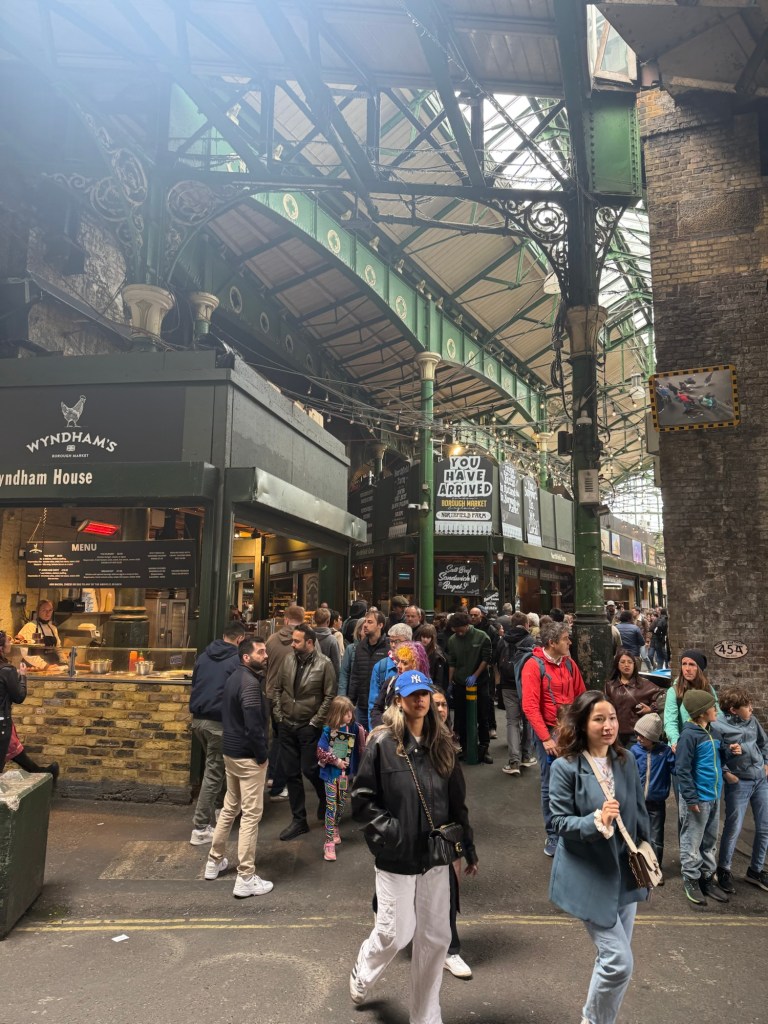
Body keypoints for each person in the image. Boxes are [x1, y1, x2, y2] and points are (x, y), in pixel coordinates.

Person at [349, 670, 478, 1020]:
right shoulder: (382, 743)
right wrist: (391, 832)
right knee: (395, 933)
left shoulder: (443, 745)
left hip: (436, 856)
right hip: (397, 857)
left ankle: (426, 1016)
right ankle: (364, 968)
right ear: (398, 701)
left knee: (436, 939)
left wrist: (467, 845)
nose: (420, 701)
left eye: (424, 694)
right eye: (412, 695)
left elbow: (457, 801)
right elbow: (361, 799)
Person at [548, 691, 651, 1024]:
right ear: (581, 723)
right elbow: (557, 821)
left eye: (611, 718)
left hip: (626, 872)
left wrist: (648, 854)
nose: (608, 726)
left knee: (612, 962)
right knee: (619, 962)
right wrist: (596, 821)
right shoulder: (565, 767)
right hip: (589, 876)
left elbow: (638, 810)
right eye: (598, 719)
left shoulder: (626, 760)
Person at [203, 637, 273, 899]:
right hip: (247, 756)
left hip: (231, 753)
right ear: (246, 657)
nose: (265, 655)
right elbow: (254, 724)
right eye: (261, 652)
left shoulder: (234, 677)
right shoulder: (250, 684)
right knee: (251, 816)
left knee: (231, 807)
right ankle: (245, 877)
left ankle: (214, 860)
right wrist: (262, 755)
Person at [521, 621, 586, 856]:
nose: (570, 642)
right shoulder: (533, 666)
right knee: (550, 785)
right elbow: (530, 706)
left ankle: (572, 830)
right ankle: (553, 835)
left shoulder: (569, 664)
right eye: (566, 639)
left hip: (570, 730)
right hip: (549, 732)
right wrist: (546, 738)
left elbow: (580, 695)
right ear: (552, 643)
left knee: (576, 780)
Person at [273, 623, 337, 841]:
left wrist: (314, 722)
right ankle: (299, 820)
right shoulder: (288, 659)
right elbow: (277, 689)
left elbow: (330, 696)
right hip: (287, 724)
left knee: (310, 769)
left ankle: (326, 799)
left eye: (297, 641)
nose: (293, 644)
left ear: (309, 642)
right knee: (291, 773)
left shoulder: (324, 664)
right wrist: (279, 716)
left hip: (308, 726)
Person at [188, 620, 246, 845]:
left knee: (218, 767)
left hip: (199, 722)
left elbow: (195, 683)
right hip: (219, 724)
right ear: (240, 639)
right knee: (214, 772)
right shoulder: (236, 661)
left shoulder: (203, 656)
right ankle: (200, 827)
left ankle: (223, 810)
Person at [432, 688, 472, 981]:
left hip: (441, 838)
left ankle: (450, 950)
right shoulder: (396, 744)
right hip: (406, 837)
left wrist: (468, 847)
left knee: (447, 892)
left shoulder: (449, 747)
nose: (442, 709)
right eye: (437, 705)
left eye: (445, 703)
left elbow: (459, 803)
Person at [712, 686, 768, 895]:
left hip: (761, 781)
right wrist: (727, 771)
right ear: (734, 710)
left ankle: (755, 870)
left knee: (764, 827)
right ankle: (724, 869)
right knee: (733, 827)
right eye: (747, 706)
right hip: (739, 783)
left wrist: (767, 763)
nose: (751, 708)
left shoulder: (752, 721)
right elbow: (716, 754)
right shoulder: (718, 725)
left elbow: (764, 743)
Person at [676, 688, 729, 906]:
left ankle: (707, 878)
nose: (715, 710)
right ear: (701, 712)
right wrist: (691, 799)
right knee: (692, 840)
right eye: (712, 707)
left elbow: (719, 757)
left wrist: (729, 750)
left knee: (710, 840)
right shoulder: (688, 736)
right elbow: (682, 769)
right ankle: (691, 878)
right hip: (697, 799)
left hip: (714, 795)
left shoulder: (714, 732)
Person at [316, 695, 365, 862]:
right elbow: (320, 752)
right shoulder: (328, 731)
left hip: (344, 776)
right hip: (330, 775)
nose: (349, 715)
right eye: (346, 713)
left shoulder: (352, 729)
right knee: (331, 806)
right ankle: (328, 841)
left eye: (350, 712)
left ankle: (335, 827)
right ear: (337, 713)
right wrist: (336, 761)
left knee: (341, 803)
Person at [265, 605, 306, 801]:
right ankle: (279, 785)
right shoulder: (307, 639)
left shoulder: (272, 640)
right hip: (294, 697)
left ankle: (273, 777)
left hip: (272, 696)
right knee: (288, 742)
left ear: (286, 620)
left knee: (278, 739)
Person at [630, 713, 674, 882]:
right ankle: (637, 867)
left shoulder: (665, 752)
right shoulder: (634, 751)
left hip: (657, 802)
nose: (639, 738)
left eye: (643, 735)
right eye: (638, 734)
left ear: (653, 738)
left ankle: (655, 869)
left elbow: (677, 768)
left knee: (656, 837)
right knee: (635, 834)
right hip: (637, 802)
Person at [447, 611, 493, 763]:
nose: (458, 632)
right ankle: (465, 747)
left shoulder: (482, 637)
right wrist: (450, 682)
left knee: (482, 715)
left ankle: (484, 747)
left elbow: (486, 658)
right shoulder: (453, 640)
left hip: (480, 683)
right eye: (455, 629)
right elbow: (452, 661)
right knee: (461, 716)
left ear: (467, 625)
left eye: (460, 629)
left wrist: (476, 675)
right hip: (460, 683)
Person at [497, 612, 537, 776]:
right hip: (526, 684)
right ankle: (526, 756)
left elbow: (496, 661)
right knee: (527, 720)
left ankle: (513, 760)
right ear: (527, 624)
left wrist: (498, 684)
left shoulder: (503, 640)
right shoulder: (531, 640)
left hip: (507, 685)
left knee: (512, 721)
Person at [663, 650, 720, 752]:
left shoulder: (708, 689)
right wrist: (676, 742)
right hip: (684, 744)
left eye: (692, 664)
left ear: (699, 668)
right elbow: (670, 720)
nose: (687, 669)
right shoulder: (675, 691)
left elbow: (718, 715)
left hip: (706, 743)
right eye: (684, 664)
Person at [604, 649, 662, 746]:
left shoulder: (645, 685)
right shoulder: (609, 686)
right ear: (617, 665)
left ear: (634, 664)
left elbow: (661, 697)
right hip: (615, 733)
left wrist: (651, 709)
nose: (626, 665)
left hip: (636, 734)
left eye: (630, 662)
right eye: (622, 662)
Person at [369, 642, 429, 729]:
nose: (398, 666)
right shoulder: (391, 682)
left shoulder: (426, 687)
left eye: (404, 663)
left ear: (415, 665)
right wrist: (383, 728)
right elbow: (376, 709)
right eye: (399, 661)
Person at [347, 610, 389, 730]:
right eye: (365, 621)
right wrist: (351, 702)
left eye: (370, 622)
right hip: (362, 706)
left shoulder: (388, 647)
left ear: (380, 625)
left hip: (380, 707)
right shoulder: (360, 646)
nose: (365, 625)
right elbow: (355, 676)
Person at [366, 622, 413, 725]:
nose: (392, 645)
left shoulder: (417, 665)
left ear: (409, 642)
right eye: (390, 641)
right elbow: (373, 705)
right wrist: (375, 731)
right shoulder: (380, 666)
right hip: (385, 725)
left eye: (397, 641)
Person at [0, 630, 27, 766]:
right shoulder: (7, 670)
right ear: (1, 648)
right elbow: (19, 697)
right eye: (8, 641)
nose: (10, 643)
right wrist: (22, 676)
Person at [15, 600, 62, 670]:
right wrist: (45, 666)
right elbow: (26, 651)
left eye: (50, 610)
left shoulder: (53, 628)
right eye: (44, 610)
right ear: (38, 611)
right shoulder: (30, 627)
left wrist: (65, 661)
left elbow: (58, 649)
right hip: (35, 667)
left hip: (53, 667)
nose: (47, 613)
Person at [416, 623, 449, 693]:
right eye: (423, 636)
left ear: (432, 638)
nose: (425, 639)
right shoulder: (417, 650)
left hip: (432, 687)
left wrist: (436, 691)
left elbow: (439, 679)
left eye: (428, 637)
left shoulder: (437, 655)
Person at [338, 616, 365, 697]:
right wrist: (341, 697)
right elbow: (344, 674)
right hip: (352, 694)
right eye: (364, 627)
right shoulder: (351, 649)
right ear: (359, 630)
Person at [312, 607, 341, 680]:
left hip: (312, 678)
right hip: (327, 679)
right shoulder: (332, 640)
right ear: (328, 622)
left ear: (314, 620)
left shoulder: (309, 637)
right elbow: (336, 664)